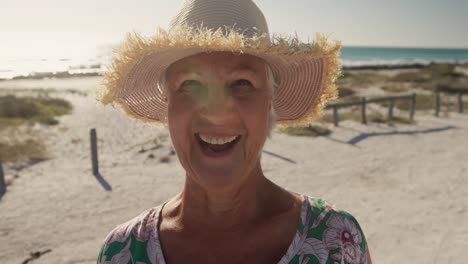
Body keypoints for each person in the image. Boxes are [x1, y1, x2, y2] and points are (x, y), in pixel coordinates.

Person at [96, 0, 372, 263]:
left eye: (242, 82)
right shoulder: (121, 252)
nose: (216, 111)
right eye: (191, 84)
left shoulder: (337, 242)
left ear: (270, 105)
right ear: (168, 103)